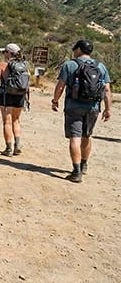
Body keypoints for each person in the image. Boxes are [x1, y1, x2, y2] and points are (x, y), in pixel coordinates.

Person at [51, 39, 112, 183]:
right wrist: (108, 109)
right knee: (87, 136)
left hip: (73, 106)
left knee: (75, 137)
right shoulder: (100, 66)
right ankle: (84, 165)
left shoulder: (70, 65)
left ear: (78, 49)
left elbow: (60, 86)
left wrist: (55, 100)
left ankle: (76, 172)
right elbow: (107, 89)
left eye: (74, 49)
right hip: (93, 107)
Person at [0, 43, 30, 156]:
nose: (3, 54)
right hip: (20, 95)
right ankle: (17, 145)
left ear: (9, 53)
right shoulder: (24, 65)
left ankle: (8, 148)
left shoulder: (3, 65)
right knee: (16, 120)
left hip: (6, 95)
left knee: (7, 122)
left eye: (5, 52)